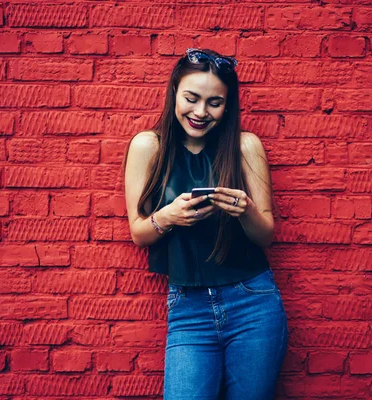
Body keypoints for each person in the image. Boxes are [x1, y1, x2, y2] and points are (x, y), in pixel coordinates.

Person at [123, 48, 288, 400]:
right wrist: (167, 217)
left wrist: (245, 211)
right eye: (191, 98)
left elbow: (266, 236)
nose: (200, 112)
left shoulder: (245, 147)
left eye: (214, 102)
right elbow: (139, 233)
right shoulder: (147, 147)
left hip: (253, 302)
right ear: (174, 93)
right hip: (188, 306)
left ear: (228, 106)